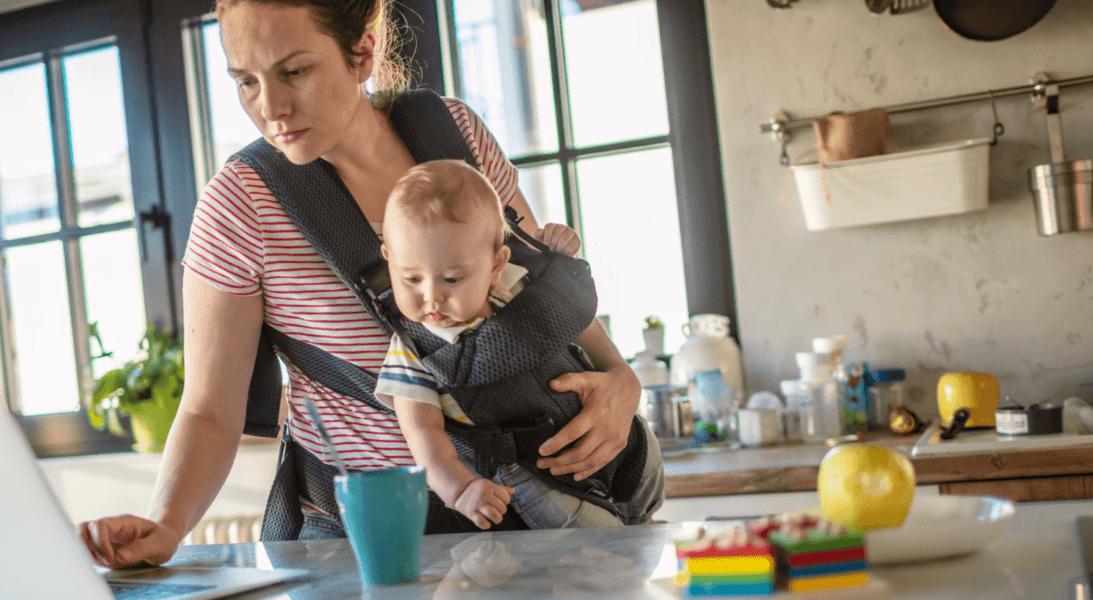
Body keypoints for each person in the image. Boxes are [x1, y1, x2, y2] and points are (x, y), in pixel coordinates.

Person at [78, 0, 645, 568]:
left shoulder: (456, 134)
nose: (270, 107)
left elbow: (531, 283)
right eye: (245, 81)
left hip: (540, 520)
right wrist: (166, 523)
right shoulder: (242, 204)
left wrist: (621, 379)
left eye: (294, 71)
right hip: (374, 544)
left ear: (362, 52)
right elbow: (210, 410)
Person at [375, 159, 664, 530]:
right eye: (411, 278)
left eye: (451, 278)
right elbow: (422, 434)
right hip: (534, 471)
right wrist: (460, 491)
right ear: (389, 261)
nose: (432, 297)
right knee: (599, 548)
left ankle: (646, 522)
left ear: (496, 266)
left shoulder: (517, 287)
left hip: (613, 434)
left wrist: (559, 253)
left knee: (647, 496)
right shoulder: (414, 351)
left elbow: (574, 313)